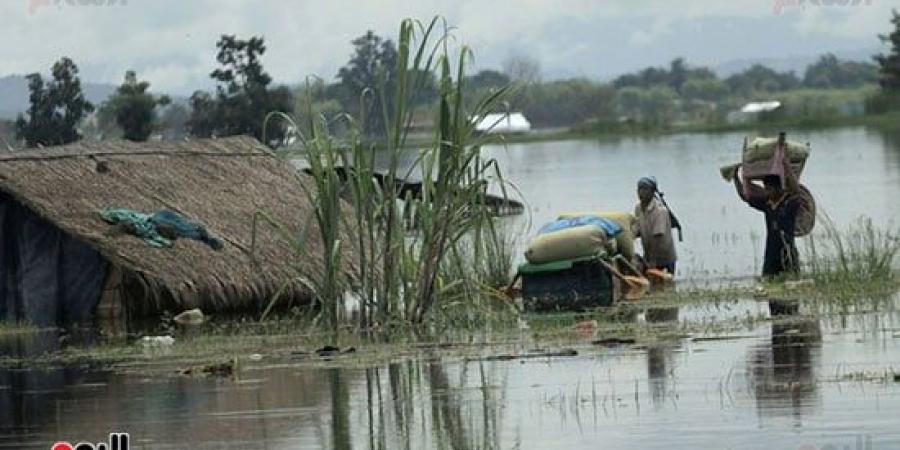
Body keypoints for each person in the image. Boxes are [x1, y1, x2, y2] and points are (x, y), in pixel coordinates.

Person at [733, 148, 801, 277]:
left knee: (792, 284)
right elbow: (745, 196)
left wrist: (786, 166)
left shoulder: (788, 203)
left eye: (769, 188)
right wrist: (736, 178)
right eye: (766, 188)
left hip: (788, 252)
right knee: (769, 282)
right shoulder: (767, 204)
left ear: (778, 188)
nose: (767, 191)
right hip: (771, 253)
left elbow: (796, 192)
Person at [633, 177, 677, 274]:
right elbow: (635, 230)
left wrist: (653, 262)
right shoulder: (638, 208)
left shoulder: (660, 211)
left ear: (652, 192)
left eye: (644, 189)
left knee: (665, 285)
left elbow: (658, 238)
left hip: (664, 258)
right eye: (639, 189)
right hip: (648, 257)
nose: (641, 192)